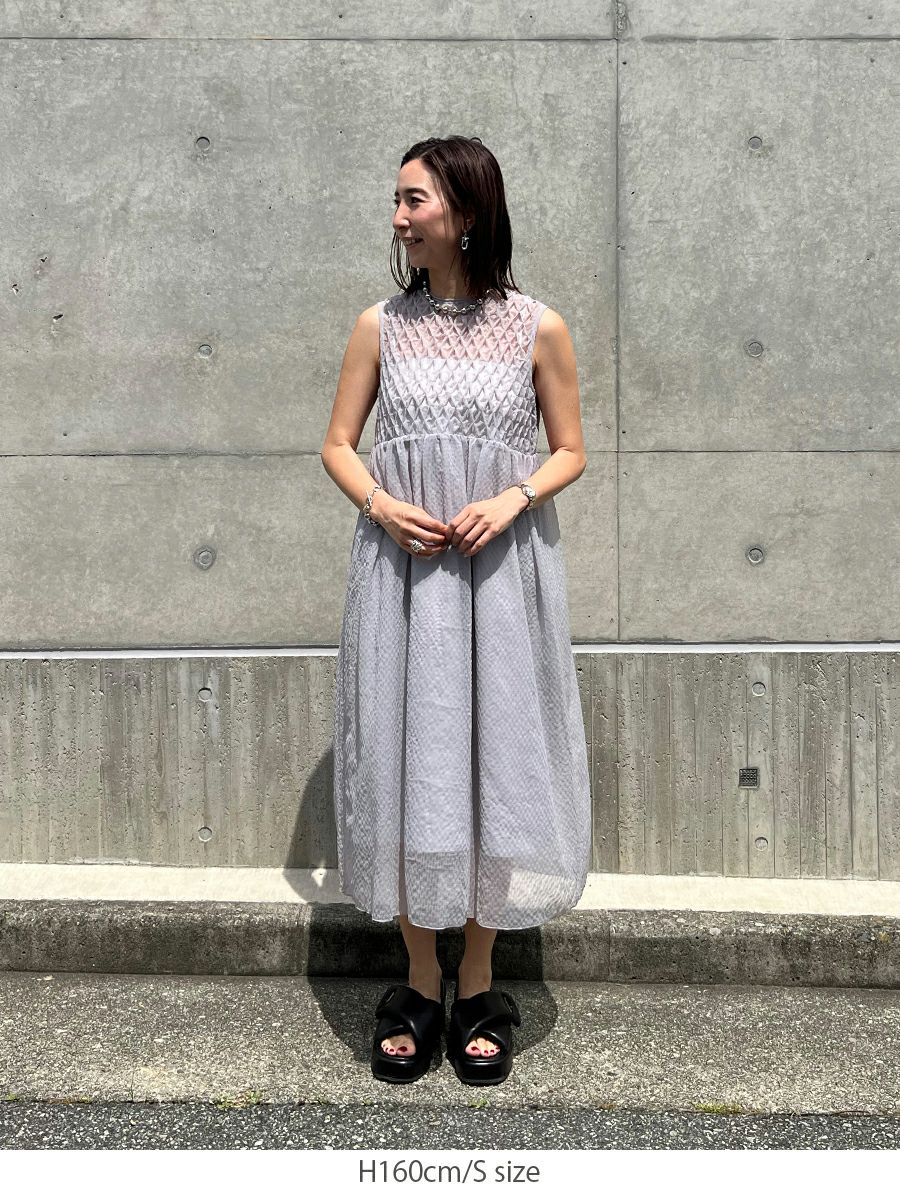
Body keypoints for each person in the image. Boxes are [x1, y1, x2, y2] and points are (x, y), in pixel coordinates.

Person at [321, 135, 591, 1086]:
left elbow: (570, 450)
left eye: (414, 200)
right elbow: (337, 443)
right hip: (403, 576)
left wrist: (514, 497)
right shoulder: (379, 326)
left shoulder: (538, 327)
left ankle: (477, 977)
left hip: (501, 576)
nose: (398, 216)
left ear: (466, 213)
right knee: (410, 762)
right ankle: (418, 975)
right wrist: (379, 503)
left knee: (494, 764)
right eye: (397, 200)